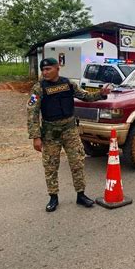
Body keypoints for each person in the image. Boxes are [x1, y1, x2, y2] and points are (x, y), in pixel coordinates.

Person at [27, 58, 111, 212]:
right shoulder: (38, 88)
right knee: (51, 166)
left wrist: (100, 94)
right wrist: (36, 137)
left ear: (57, 68)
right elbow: (32, 113)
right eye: (43, 70)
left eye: (48, 69)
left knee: (77, 163)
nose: (45, 72)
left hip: (70, 131)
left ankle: (81, 195)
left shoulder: (68, 84)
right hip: (51, 133)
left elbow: (85, 96)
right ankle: (53, 197)